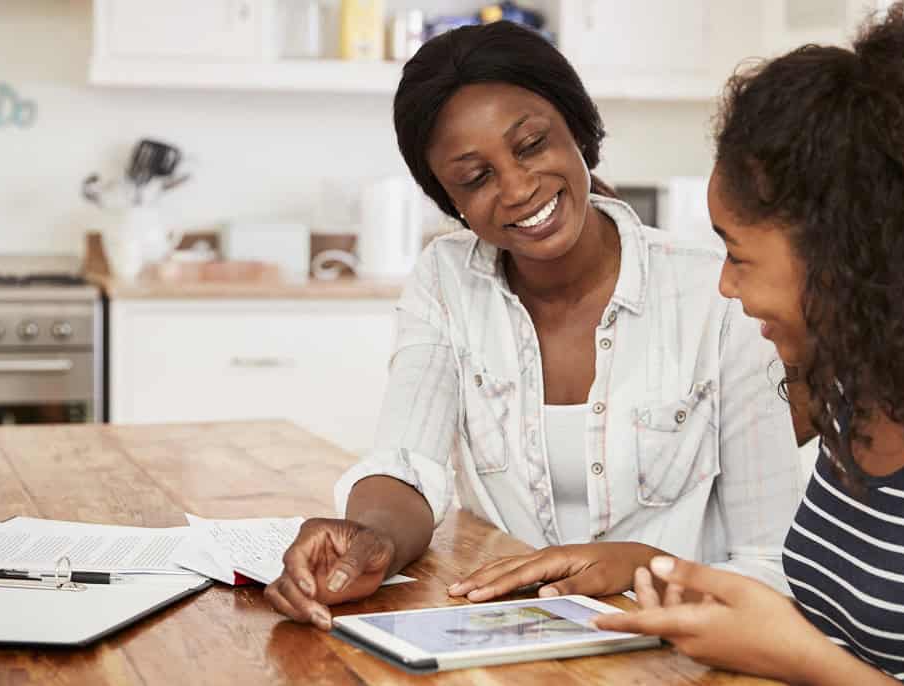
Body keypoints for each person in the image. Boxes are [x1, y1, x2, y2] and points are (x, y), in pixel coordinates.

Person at [265, 20, 803, 632]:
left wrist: (641, 568)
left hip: (682, 651)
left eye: (530, 145)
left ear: (576, 128)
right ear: (450, 201)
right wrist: (371, 539)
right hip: (502, 642)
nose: (518, 188)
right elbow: (408, 462)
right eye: (476, 178)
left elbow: (771, 566)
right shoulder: (447, 280)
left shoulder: (716, 293)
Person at [595, 4, 904, 684]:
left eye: (738, 256)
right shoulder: (859, 396)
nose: (727, 288)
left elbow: (828, 659)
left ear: (845, 255)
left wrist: (800, 658)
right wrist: (719, 603)